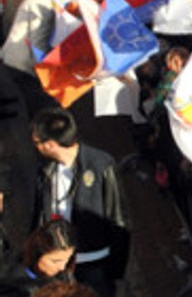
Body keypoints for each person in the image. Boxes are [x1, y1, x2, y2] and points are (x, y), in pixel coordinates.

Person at [28, 109, 127, 297]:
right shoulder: (45, 170)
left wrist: (116, 271)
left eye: (36, 142)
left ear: (50, 144)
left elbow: (118, 217)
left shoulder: (101, 164)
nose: (35, 146)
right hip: (60, 263)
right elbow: (39, 212)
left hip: (95, 261)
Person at [0, 219, 77, 296]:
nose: (62, 267)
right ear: (36, 254)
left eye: (67, 259)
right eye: (55, 261)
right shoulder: (11, 284)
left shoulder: (64, 276)